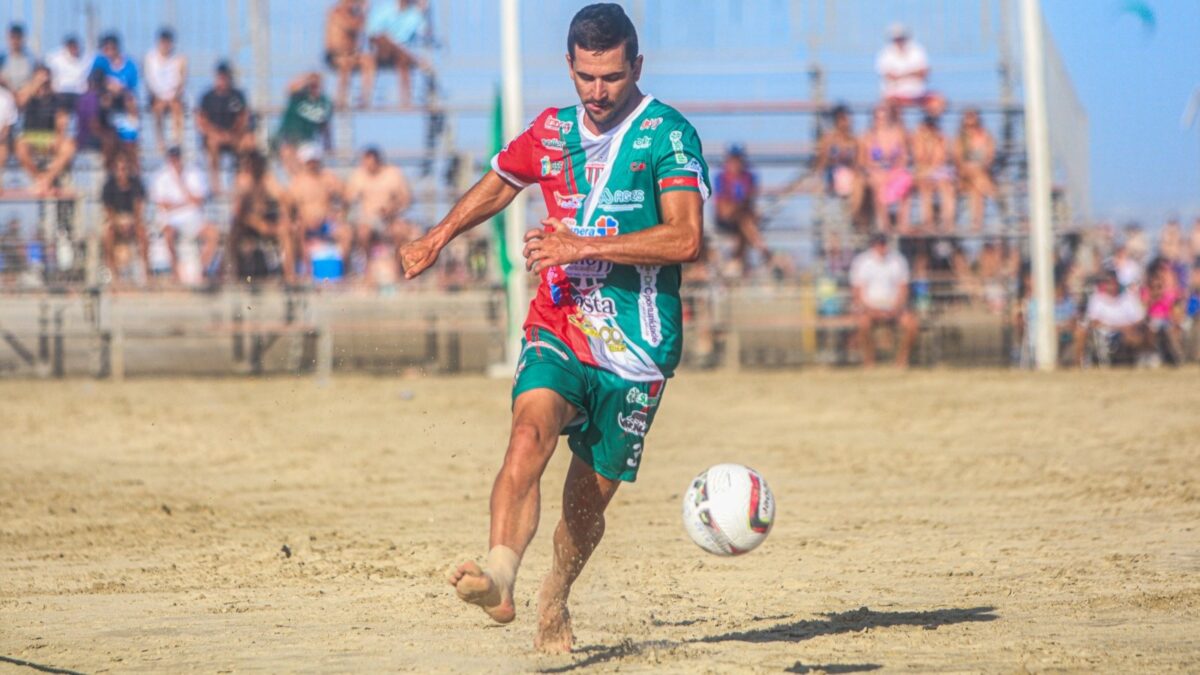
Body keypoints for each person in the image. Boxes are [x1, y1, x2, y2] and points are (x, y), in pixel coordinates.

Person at [401, 3, 708, 652]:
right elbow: (500, 181)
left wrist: (582, 248)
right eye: (587, 77)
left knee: (583, 506)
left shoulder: (668, 135)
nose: (598, 92)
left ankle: (555, 594)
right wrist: (438, 235)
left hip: (639, 353)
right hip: (560, 326)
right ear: (570, 65)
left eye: (613, 78)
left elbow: (685, 236)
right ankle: (500, 572)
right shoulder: (550, 131)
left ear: (637, 67)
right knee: (527, 433)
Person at [150, 146, 219, 283]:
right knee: (168, 233)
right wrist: (187, 201)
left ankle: (201, 270)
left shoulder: (194, 173)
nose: (176, 161)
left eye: (177, 158)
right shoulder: (161, 176)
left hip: (194, 220)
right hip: (172, 221)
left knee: (213, 233)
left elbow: (199, 200)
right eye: (173, 158)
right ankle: (175, 271)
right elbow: (162, 205)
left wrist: (181, 187)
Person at [850, 233, 918, 367]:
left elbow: (903, 289)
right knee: (863, 324)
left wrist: (895, 309)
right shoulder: (862, 262)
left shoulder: (898, 260)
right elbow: (857, 293)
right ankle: (869, 361)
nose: (882, 247)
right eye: (879, 244)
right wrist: (871, 310)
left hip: (894, 307)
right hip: (870, 307)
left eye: (884, 243)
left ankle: (902, 361)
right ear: (873, 245)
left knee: (912, 325)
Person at [230, 150, 296, 284]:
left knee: (286, 231)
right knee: (233, 235)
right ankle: (235, 276)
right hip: (246, 224)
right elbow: (238, 212)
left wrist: (287, 216)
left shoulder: (267, 179)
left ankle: (289, 276)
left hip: (265, 221)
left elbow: (284, 198)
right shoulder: (243, 181)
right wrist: (257, 224)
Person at [345, 146, 414, 272]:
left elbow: (406, 199)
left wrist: (392, 208)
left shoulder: (393, 174)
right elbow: (348, 198)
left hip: (391, 218)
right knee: (363, 232)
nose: (367, 166)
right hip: (368, 220)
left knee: (400, 231)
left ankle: (398, 267)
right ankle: (368, 268)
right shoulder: (359, 175)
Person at [13, 66, 77, 196]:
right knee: (19, 146)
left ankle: (46, 179)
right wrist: (34, 86)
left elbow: (62, 122)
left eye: (45, 78)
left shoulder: (57, 99)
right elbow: (19, 103)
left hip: (50, 137)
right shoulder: (28, 95)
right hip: (30, 136)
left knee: (69, 146)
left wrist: (60, 130)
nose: (43, 81)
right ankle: (40, 179)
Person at [287, 143, 349, 275]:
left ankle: (343, 272)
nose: (312, 164)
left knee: (346, 233)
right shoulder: (298, 182)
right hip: (306, 224)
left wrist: (339, 215)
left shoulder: (328, 178)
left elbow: (345, 197)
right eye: (309, 161)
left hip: (327, 223)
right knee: (297, 231)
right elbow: (290, 207)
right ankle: (307, 272)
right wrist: (300, 220)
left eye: (314, 161)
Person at [712, 144, 770, 276]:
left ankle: (738, 262)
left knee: (744, 226)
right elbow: (722, 207)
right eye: (732, 160)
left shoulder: (748, 177)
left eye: (738, 160)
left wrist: (742, 206)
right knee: (745, 221)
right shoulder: (721, 177)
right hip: (726, 218)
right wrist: (738, 206)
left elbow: (750, 201)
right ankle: (763, 250)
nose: (735, 164)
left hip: (742, 219)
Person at [197, 62, 254, 193]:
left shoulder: (237, 95)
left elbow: (243, 117)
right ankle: (216, 186)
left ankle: (242, 182)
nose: (223, 80)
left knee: (248, 142)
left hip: (234, 136)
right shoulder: (208, 97)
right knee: (212, 143)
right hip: (214, 137)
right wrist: (215, 133)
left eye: (225, 76)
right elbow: (201, 120)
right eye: (220, 77)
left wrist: (233, 134)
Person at [366, 0, 435, 108]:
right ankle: (412, 58)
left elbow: (425, 34)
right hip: (382, 51)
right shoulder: (385, 10)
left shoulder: (415, 15)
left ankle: (406, 101)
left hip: (402, 56)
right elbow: (372, 33)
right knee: (384, 38)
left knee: (403, 59)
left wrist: (423, 11)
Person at [1074, 267, 1146, 366]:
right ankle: (1078, 364)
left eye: (1108, 282)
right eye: (1104, 282)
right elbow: (1093, 321)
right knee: (1081, 331)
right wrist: (1114, 328)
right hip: (1103, 333)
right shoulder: (1097, 298)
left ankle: (1138, 362)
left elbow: (1139, 319)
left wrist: (1126, 328)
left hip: (1126, 332)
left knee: (1136, 335)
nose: (1106, 285)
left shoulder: (1128, 297)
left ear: (1115, 282)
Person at [860, 104, 911, 233]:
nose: (881, 120)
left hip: (895, 171)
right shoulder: (867, 137)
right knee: (877, 185)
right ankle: (885, 223)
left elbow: (904, 157)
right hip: (876, 172)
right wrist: (877, 170)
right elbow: (864, 161)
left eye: (884, 117)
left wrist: (893, 172)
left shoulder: (898, 134)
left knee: (906, 179)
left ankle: (902, 222)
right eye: (878, 118)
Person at [814, 104, 864, 228]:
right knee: (854, 180)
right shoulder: (829, 139)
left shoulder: (854, 140)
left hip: (850, 176)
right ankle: (855, 217)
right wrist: (835, 159)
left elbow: (859, 162)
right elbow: (821, 162)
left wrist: (850, 162)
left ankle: (855, 215)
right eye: (845, 119)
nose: (848, 122)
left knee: (860, 180)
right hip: (834, 175)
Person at [101, 154, 149, 279]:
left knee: (142, 233)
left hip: (132, 221)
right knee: (108, 234)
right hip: (116, 221)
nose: (122, 172)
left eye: (125, 168)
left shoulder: (135, 183)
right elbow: (108, 211)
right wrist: (118, 223)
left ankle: (146, 271)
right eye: (120, 168)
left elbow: (139, 208)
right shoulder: (109, 185)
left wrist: (132, 222)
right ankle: (112, 272)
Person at [274, 72, 333, 175]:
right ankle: (297, 182)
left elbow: (325, 125)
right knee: (287, 153)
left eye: (317, 84)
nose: (314, 86)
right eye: (312, 84)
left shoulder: (324, 102)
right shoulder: (299, 95)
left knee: (309, 164)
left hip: (308, 141)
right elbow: (289, 88)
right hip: (288, 138)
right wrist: (305, 79)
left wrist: (328, 144)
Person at [912, 105, 955, 233]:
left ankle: (948, 221)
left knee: (947, 187)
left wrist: (934, 142)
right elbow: (919, 157)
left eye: (932, 125)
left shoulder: (942, 137)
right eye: (928, 125)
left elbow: (941, 158)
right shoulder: (918, 136)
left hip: (937, 170)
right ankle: (928, 221)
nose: (930, 128)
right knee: (925, 187)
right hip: (923, 171)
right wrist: (927, 142)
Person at [325, 0, 376, 110]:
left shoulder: (354, 15)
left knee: (368, 60)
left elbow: (361, 33)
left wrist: (362, 13)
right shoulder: (335, 12)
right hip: (334, 55)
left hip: (351, 54)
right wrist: (363, 13)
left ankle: (365, 98)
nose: (352, 5)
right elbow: (351, 27)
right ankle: (340, 98)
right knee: (345, 64)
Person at [144, 28, 187, 153]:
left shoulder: (180, 59)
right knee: (158, 109)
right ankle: (160, 142)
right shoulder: (150, 58)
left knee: (177, 107)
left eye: (168, 42)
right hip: (157, 96)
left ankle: (177, 142)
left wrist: (175, 94)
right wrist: (158, 96)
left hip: (174, 96)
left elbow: (182, 80)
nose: (165, 45)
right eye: (163, 42)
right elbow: (149, 81)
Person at [954, 108, 995, 232]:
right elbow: (958, 158)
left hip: (980, 173)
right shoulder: (960, 138)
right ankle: (994, 194)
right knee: (977, 179)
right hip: (965, 174)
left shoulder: (986, 136)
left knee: (976, 190)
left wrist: (980, 166)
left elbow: (990, 156)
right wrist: (969, 167)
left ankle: (976, 223)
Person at [875, 23, 932, 107]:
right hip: (894, 94)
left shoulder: (917, 50)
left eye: (901, 38)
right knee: (889, 105)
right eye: (896, 38)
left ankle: (929, 120)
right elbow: (889, 76)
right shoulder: (885, 53)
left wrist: (900, 75)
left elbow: (923, 72)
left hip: (918, 93)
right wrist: (912, 73)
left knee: (937, 102)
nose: (899, 41)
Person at [46, 35, 91, 112]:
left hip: (79, 94)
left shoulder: (86, 59)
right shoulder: (54, 58)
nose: (73, 48)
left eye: (75, 46)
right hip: (60, 94)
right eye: (70, 46)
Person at [0, 23, 34, 91]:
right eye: (12, 37)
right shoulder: (2, 59)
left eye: (18, 37)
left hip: (26, 95)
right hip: (5, 95)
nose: (15, 41)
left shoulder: (32, 60)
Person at [0, 82, 15, 192]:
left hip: (2, 137)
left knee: (2, 147)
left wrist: (2, 136)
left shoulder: (6, 96)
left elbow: (8, 123)